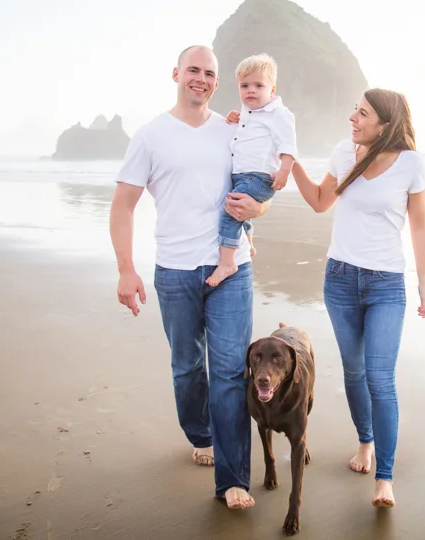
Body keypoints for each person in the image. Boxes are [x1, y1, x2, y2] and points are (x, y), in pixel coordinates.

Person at [109, 45, 270, 510]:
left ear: (217, 83)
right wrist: (125, 268)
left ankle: (233, 479)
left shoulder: (234, 130)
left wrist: (257, 211)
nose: (201, 79)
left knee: (228, 371)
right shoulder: (150, 136)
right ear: (176, 74)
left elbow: (257, 189)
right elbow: (123, 206)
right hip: (175, 270)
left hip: (231, 266)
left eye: (210, 74)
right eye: (193, 70)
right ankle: (200, 433)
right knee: (186, 366)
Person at [289, 88, 425, 509]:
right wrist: (290, 162)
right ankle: (365, 443)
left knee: (379, 377)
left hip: (386, 284)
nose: (353, 117)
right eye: (354, 108)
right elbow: (320, 202)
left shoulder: (411, 164)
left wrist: (424, 282)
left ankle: (384, 477)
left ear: (385, 125)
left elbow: (421, 226)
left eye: (363, 112)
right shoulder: (343, 153)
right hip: (339, 279)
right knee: (354, 371)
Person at [206, 52, 297, 287]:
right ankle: (248, 240)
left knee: (231, 209)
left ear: (272, 90)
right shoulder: (248, 112)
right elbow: (243, 136)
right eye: (245, 85)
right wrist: (234, 118)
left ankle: (227, 262)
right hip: (242, 174)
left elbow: (288, 145)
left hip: (260, 176)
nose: (251, 90)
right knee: (242, 215)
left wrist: (284, 171)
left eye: (259, 85)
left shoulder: (279, 114)